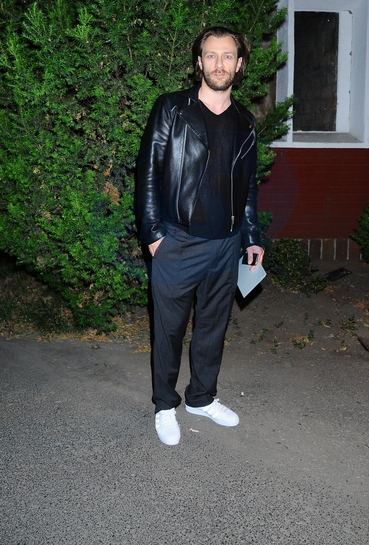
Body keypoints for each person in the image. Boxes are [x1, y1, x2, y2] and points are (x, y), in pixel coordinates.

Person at [135, 25, 265, 445]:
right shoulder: (172, 108)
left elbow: (248, 188)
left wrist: (251, 236)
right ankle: (164, 405)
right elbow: (148, 173)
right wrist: (154, 234)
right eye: (211, 55)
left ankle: (202, 398)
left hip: (225, 245)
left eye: (227, 56)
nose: (219, 64)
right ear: (198, 62)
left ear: (239, 64)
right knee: (168, 332)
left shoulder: (245, 122)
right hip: (177, 241)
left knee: (212, 328)